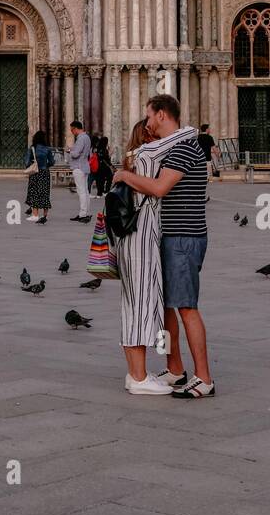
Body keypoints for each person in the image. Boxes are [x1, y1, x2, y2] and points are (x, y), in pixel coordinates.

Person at [113, 94, 213, 398]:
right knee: (167, 308)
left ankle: (204, 378)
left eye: (149, 115)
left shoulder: (184, 148)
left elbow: (159, 188)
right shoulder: (174, 147)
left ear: (161, 115)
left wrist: (124, 176)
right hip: (169, 236)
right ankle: (175, 368)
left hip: (184, 237)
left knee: (186, 307)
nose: (147, 122)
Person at [25, 129, 54, 223]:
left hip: (35, 173)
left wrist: (32, 165)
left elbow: (27, 162)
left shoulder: (32, 148)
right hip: (45, 173)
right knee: (45, 193)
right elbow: (52, 162)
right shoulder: (47, 149)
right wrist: (45, 166)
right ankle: (45, 216)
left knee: (34, 192)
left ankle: (35, 214)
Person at [68, 119, 92, 223]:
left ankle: (82, 214)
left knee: (81, 191)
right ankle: (85, 212)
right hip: (84, 165)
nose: (72, 132)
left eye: (72, 130)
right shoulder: (87, 138)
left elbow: (76, 154)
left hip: (79, 167)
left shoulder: (81, 138)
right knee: (85, 191)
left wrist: (70, 150)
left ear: (76, 128)